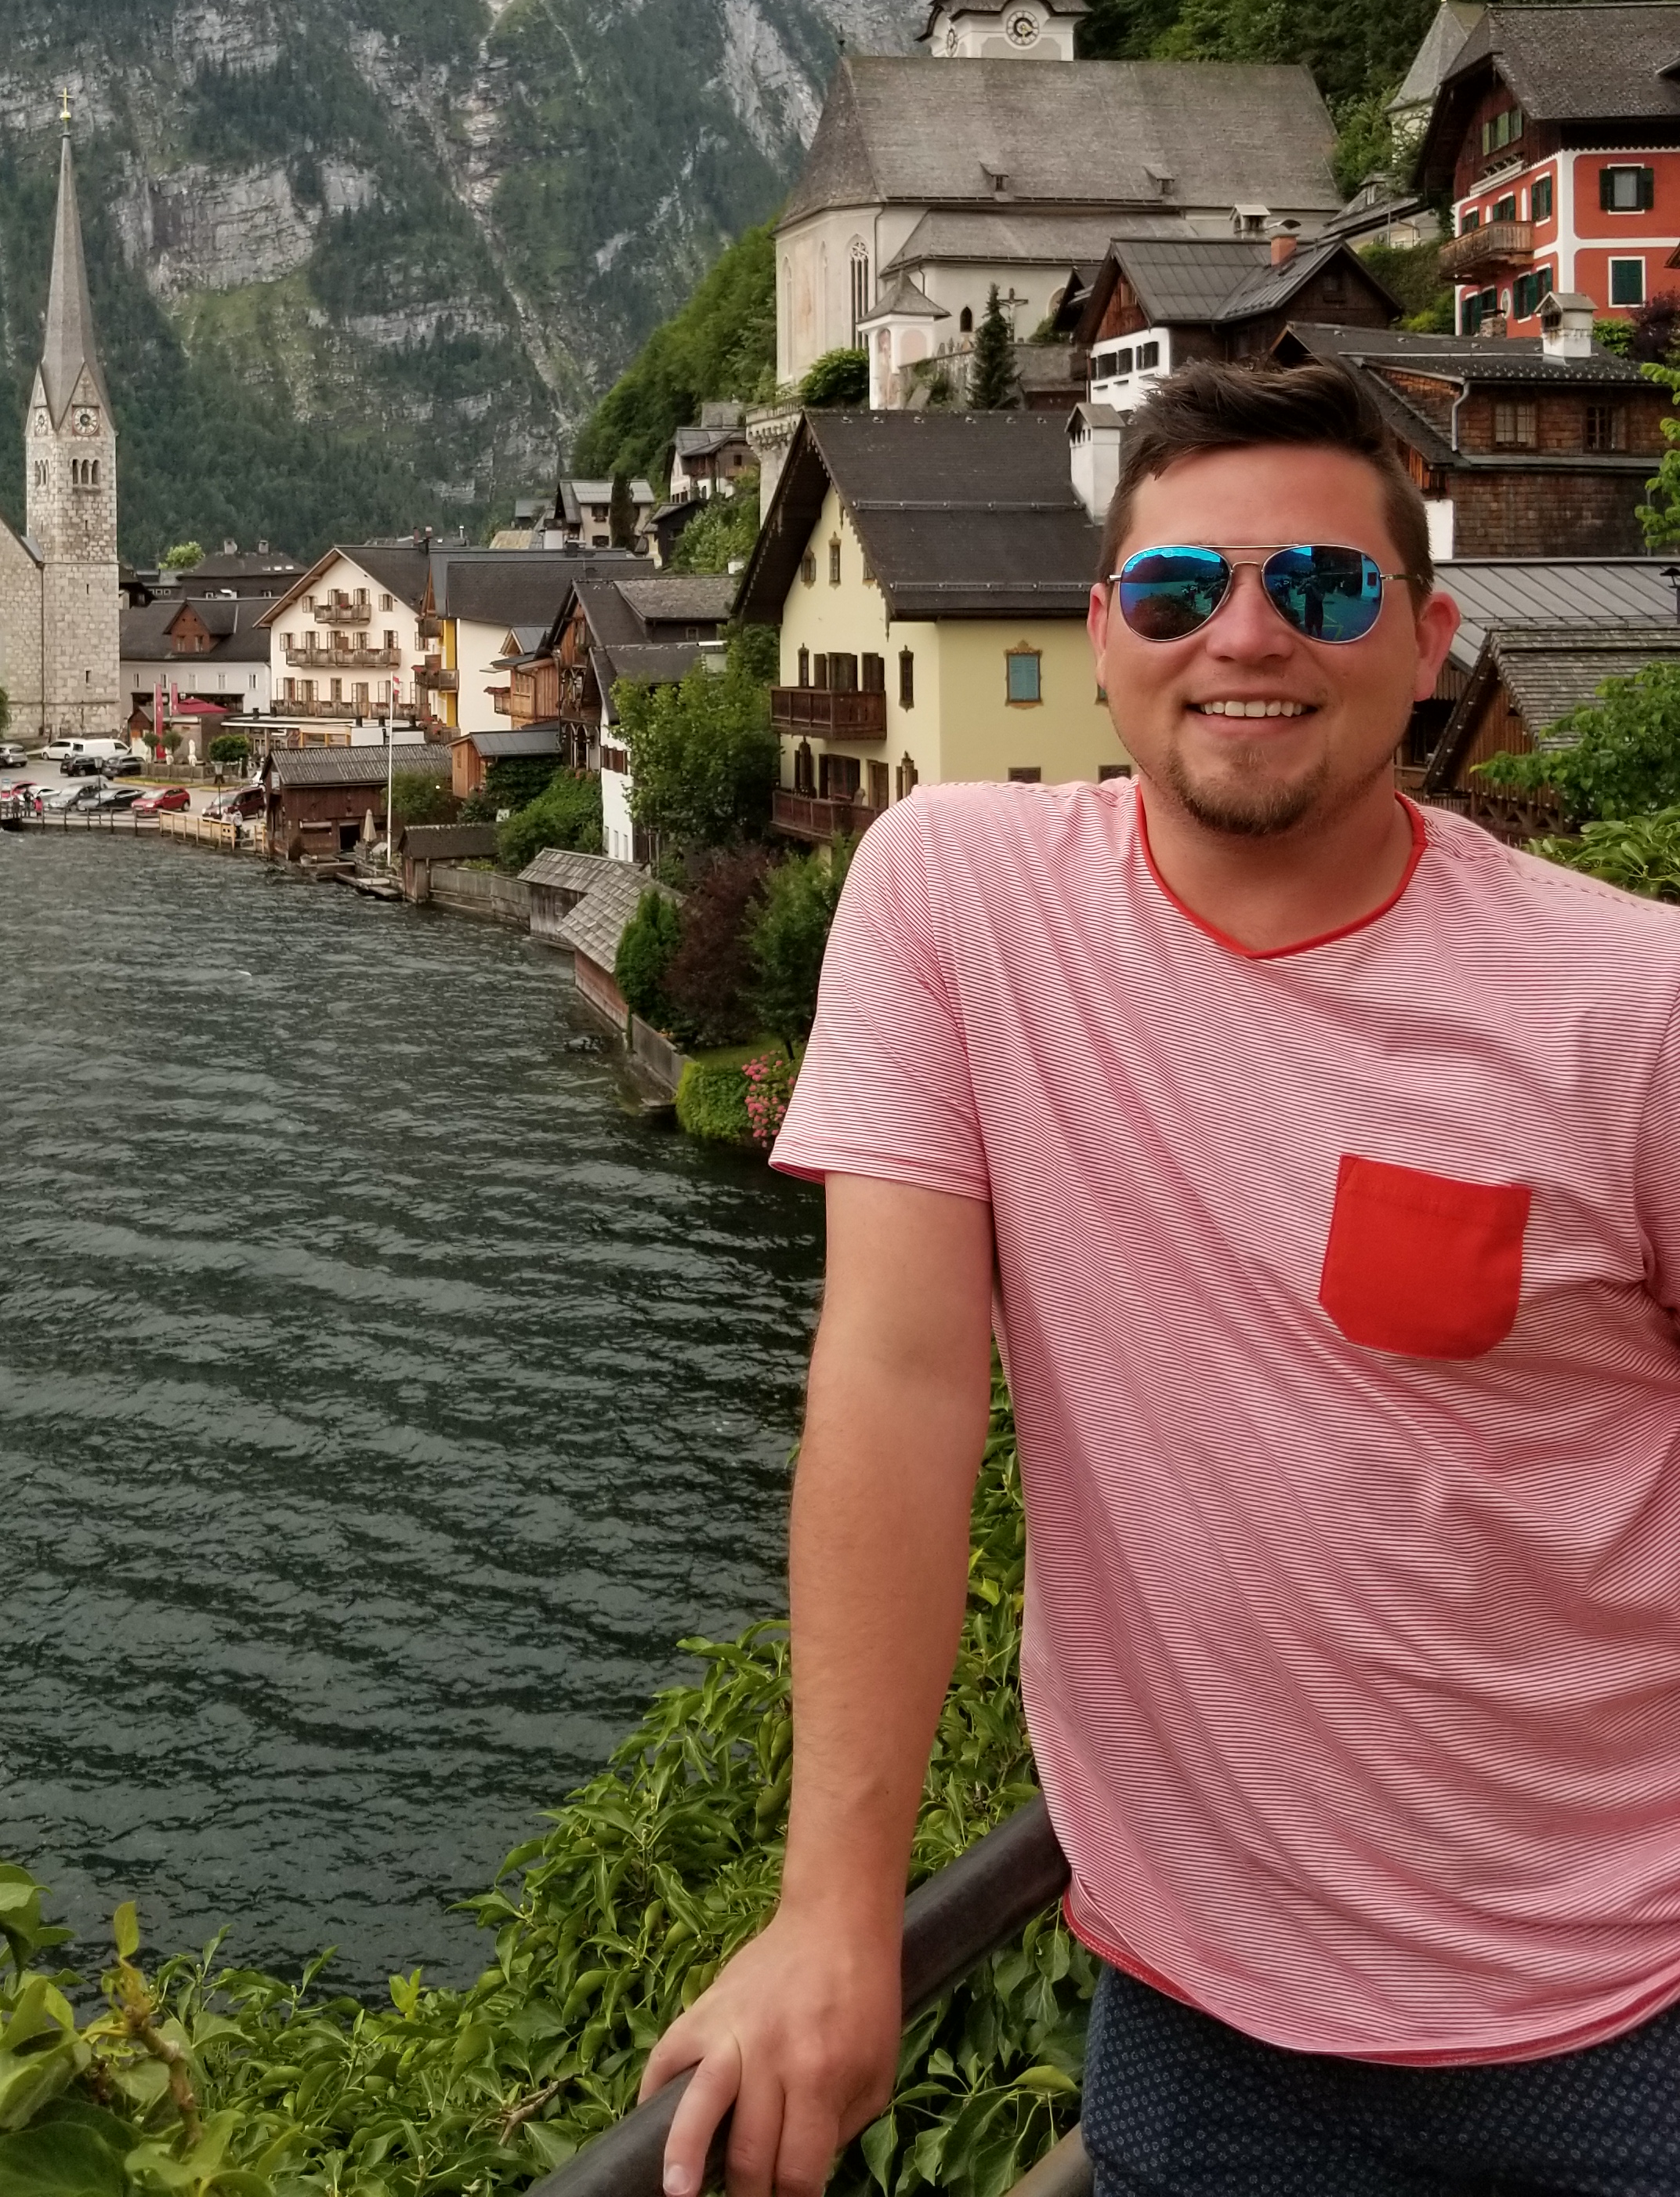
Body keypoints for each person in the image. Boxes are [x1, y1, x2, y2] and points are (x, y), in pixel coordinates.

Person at [643, 358, 1680, 2197]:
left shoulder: (1627, 1006)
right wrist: (833, 1912)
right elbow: (895, 1382)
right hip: (1211, 2028)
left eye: (1325, 588)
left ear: (1429, 645)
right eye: (1183, 587)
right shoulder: (956, 902)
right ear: (1106, 632)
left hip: (1632, 2006)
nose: (1248, 636)